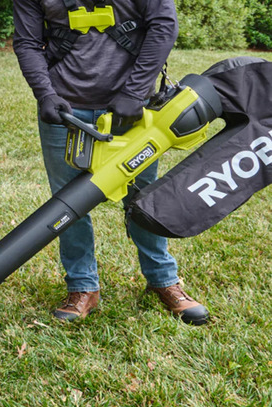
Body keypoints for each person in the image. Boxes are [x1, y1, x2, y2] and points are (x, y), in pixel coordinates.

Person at [12, 0, 209, 324]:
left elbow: (163, 25)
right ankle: (82, 286)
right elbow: (27, 41)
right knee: (66, 204)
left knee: (144, 196)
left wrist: (134, 93)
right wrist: (44, 93)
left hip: (133, 110)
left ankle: (163, 279)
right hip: (65, 107)